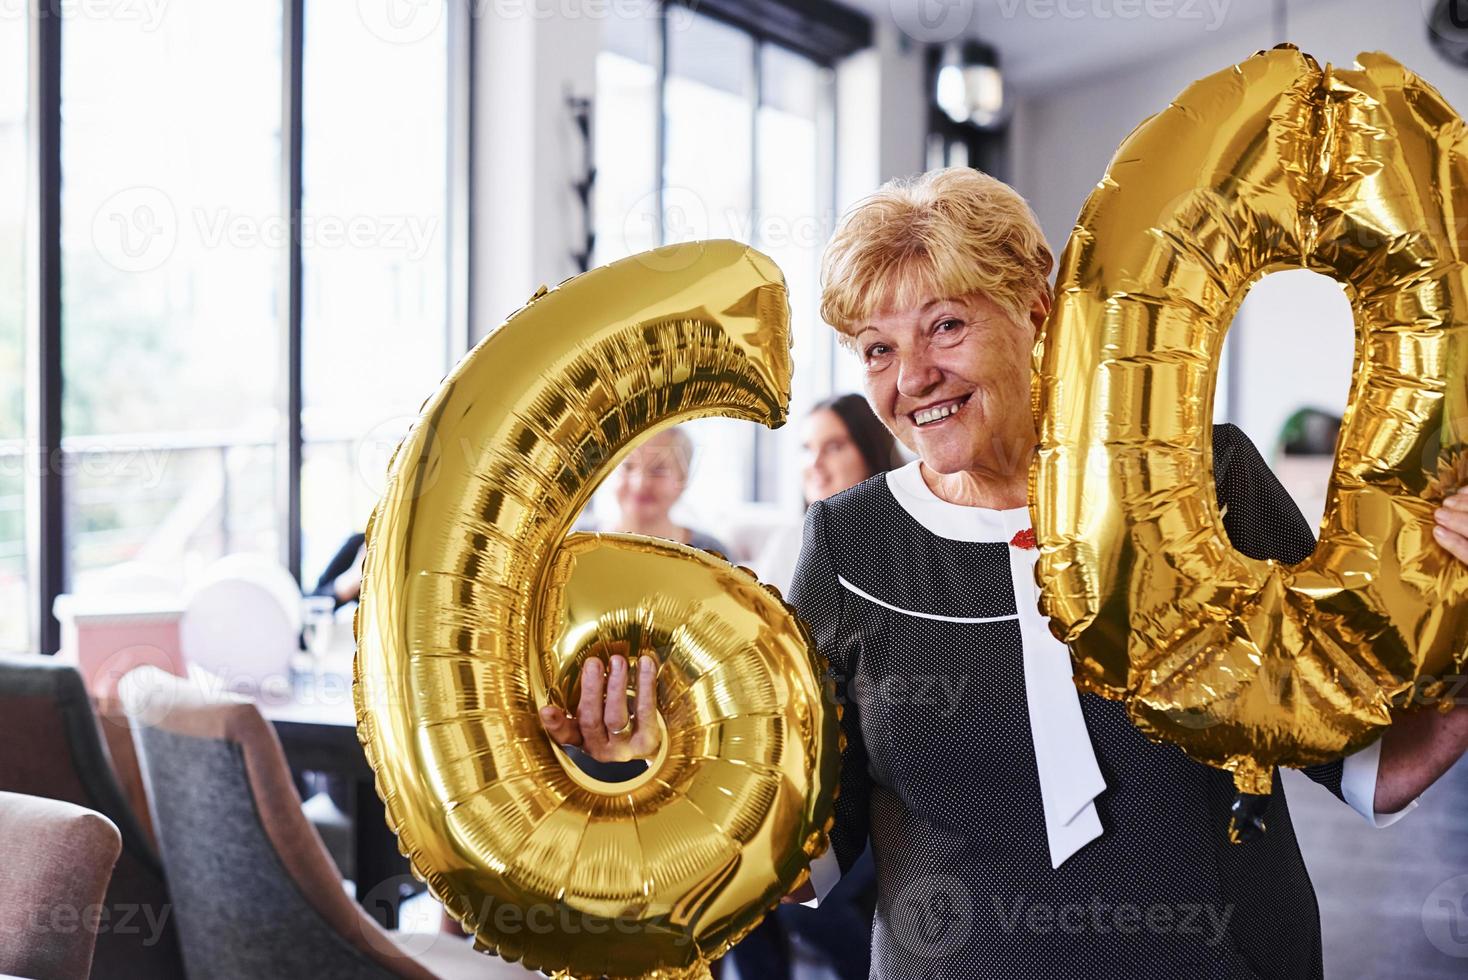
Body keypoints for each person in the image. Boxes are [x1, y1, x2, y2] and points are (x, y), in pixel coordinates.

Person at [542, 167, 1468, 978]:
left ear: (1034, 307)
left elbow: (1368, 761)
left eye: (945, 325)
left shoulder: (1202, 479)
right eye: (877, 348)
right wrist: (658, 765)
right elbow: (811, 856)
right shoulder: (848, 548)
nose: (912, 378)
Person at [752, 393, 904, 595]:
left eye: (833, 447)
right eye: (807, 448)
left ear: (870, 452)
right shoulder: (788, 542)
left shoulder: (905, 542)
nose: (814, 462)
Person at [580, 426, 732, 557]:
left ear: (683, 478)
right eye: (628, 466)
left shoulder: (712, 555)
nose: (639, 483)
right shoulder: (576, 541)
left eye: (658, 469)